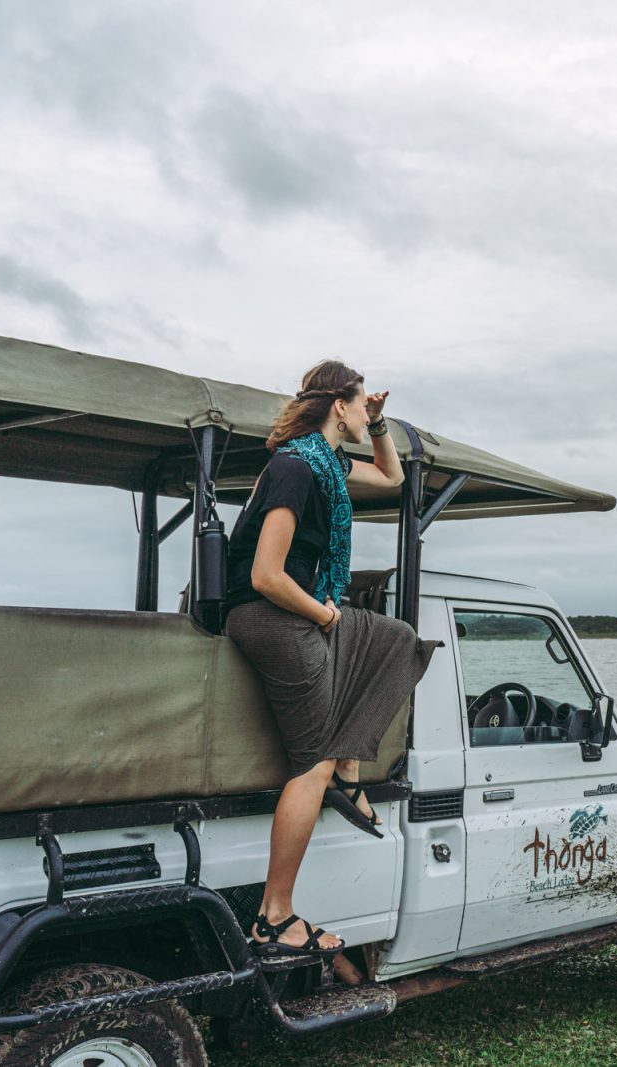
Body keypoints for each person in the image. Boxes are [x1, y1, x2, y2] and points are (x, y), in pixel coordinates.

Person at [222, 360, 442, 958]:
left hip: (304, 611)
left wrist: (377, 424)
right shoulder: (295, 469)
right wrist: (323, 615)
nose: (364, 407)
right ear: (335, 406)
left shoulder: (326, 463)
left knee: (397, 639)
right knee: (309, 763)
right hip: (273, 615)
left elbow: (394, 476)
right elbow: (266, 576)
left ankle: (349, 772)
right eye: (359, 401)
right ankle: (275, 916)